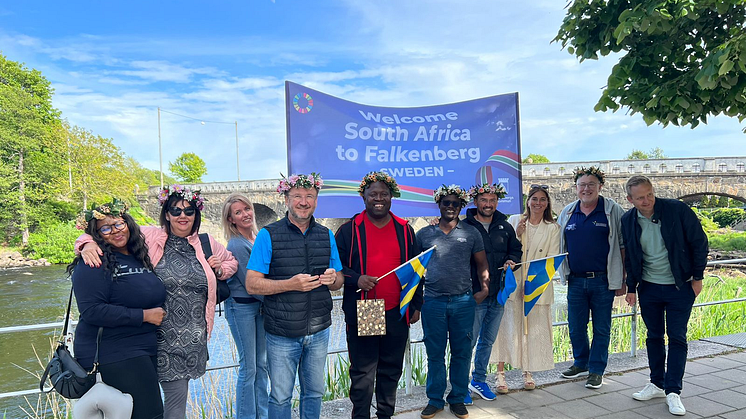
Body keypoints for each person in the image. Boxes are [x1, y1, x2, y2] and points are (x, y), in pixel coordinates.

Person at [78, 185, 238, 419]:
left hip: (190, 340)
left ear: (196, 214)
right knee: (151, 409)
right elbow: (106, 231)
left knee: (169, 407)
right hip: (154, 336)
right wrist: (86, 244)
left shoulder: (206, 242)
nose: (182, 215)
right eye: (175, 210)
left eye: (189, 210)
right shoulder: (151, 235)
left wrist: (220, 269)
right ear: (166, 214)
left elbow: (231, 262)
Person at [246, 173, 344, 419]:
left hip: (320, 329)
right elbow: (252, 285)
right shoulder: (267, 235)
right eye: (297, 196)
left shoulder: (326, 235)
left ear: (316, 200)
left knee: (314, 392)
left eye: (309, 196)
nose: (304, 201)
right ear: (286, 199)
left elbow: (339, 280)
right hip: (282, 334)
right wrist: (289, 284)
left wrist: (334, 279)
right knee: (280, 396)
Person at [335, 172, 422, 419]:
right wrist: (356, 279)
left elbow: (418, 269)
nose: (379, 198)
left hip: (397, 309)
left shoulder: (405, 230)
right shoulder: (349, 230)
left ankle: (385, 415)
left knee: (391, 369)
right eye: (373, 194)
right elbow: (335, 266)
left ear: (392, 196)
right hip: (367, 309)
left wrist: (416, 304)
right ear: (364, 196)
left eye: (384, 194)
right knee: (364, 374)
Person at [69, 199, 166, 419]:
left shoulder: (137, 256)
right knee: (150, 415)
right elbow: (91, 311)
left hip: (142, 350)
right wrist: (144, 316)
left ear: (128, 224)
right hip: (114, 354)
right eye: (106, 228)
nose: (115, 231)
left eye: (119, 224)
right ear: (97, 233)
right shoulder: (93, 262)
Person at [621, 176, 708, 416]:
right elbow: (631, 255)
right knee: (654, 336)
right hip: (648, 287)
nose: (647, 200)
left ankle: (673, 392)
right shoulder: (628, 219)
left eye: (649, 194)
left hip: (680, 286)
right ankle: (657, 383)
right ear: (630, 200)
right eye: (640, 197)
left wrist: (697, 278)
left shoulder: (677, 210)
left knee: (677, 337)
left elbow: (699, 243)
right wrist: (631, 287)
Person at [417, 185, 489, 419]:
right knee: (435, 353)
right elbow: (414, 271)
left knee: (462, 352)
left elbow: (481, 264)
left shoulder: (471, 233)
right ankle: (435, 400)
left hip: (463, 302)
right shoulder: (424, 235)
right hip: (433, 303)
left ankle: (457, 398)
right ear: (439, 205)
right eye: (446, 203)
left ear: (461, 207)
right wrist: (416, 303)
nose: (450, 207)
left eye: (455, 204)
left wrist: (484, 289)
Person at [557, 166, 626, 389]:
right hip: (575, 279)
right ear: (576, 188)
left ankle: (596, 370)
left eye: (591, 185)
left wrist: (623, 279)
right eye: (582, 185)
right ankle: (581, 362)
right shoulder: (568, 212)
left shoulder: (612, 210)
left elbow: (623, 246)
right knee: (576, 326)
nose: (586, 189)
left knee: (602, 328)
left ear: (600, 187)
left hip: (603, 280)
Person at [492, 184, 560, 391]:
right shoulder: (514, 221)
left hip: (536, 285)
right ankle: (500, 374)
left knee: (530, 330)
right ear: (527, 201)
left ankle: (527, 370)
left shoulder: (553, 228)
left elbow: (552, 260)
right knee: (506, 328)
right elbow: (506, 249)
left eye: (542, 199)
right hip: (514, 282)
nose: (538, 203)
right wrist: (518, 233)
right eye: (534, 199)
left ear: (547, 203)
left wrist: (532, 286)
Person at [462, 183, 521, 401]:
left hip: (498, 295)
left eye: (492, 200)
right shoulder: (464, 227)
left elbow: (516, 250)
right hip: (474, 295)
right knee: (468, 341)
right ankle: (460, 386)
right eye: (484, 200)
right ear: (475, 202)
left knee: (487, 341)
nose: (488, 204)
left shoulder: (505, 226)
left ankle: (478, 380)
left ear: (497, 202)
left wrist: (512, 260)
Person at [221, 193, 269, 419]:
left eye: (246, 209)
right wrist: (280, 302)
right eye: (238, 213)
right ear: (231, 220)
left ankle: (262, 413)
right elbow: (252, 286)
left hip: (258, 309)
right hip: (242, 308)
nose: (245, 214)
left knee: (262, 366)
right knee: (249, 367)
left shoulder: (257, 237)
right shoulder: (237, 244)